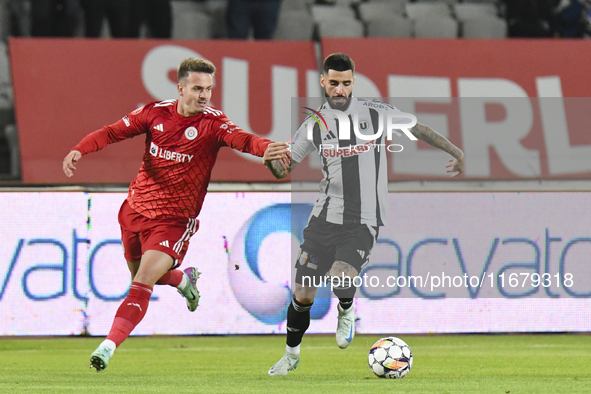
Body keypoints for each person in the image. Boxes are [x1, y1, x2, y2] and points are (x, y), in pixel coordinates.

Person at [62, 57, 289, 372]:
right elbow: (112, 132)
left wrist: (266, 148)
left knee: (142, 281)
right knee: (141, 276)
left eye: (208, 89)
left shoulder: (212, 123)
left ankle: (107, 347)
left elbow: (243, 139)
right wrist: (80, 149)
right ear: (180, 88)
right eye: (197, 88)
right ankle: (183, 280)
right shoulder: (154, 113)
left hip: (174, 221)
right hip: (135, 210)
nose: (204, 96)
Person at [264, 53, 465, 375]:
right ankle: (291, 355)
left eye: (345, 83)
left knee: (342, 274)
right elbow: (283, 166)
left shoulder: (375, 112)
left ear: (353, 82)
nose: (339, 89)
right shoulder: (315, 123)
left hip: (363, 220)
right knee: (302, 293)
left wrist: (456, 152)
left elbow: (420, 129)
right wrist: (271, 161)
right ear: (323, 82)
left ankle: (346, 308)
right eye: (334, 83)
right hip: (323, 217)